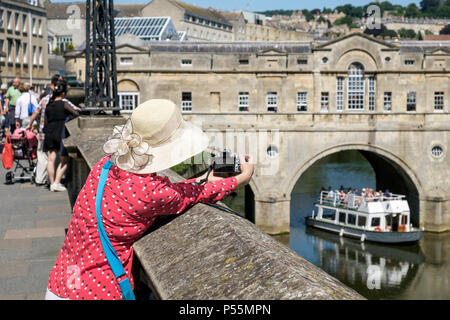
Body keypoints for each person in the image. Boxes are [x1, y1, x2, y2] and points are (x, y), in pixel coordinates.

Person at [45, 99, 255, 300]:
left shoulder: (106, 165)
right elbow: (192, 195)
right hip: (97, 292)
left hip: (64, 280)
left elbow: (171, 191)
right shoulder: (150, 192)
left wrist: (203, 178)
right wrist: (240, 179)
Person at [42, 80, 79, 192]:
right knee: (64, 160)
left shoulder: (49, 104)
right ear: (63, 93)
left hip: (49, 133)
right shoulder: (64, 103)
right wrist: (76, 110)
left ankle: (52, 183)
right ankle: (57, 183)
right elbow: (76, 114)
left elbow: (46, 120)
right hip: (61, 132)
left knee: (50, 159)